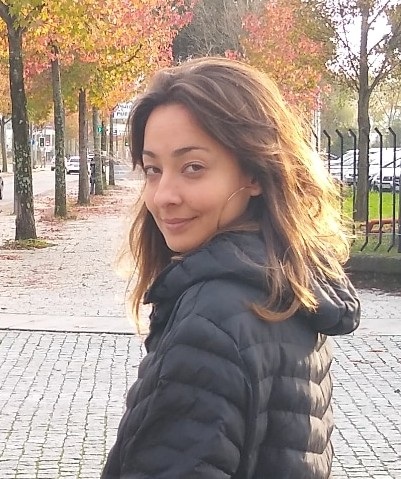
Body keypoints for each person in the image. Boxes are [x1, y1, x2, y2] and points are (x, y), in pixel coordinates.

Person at [101, 57, 360, 479]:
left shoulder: (213, 319)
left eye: (193, 168)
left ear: (253, 172)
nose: (163, 195)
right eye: (153, 170)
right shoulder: (287, 285)